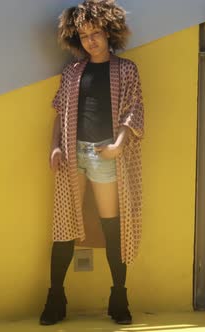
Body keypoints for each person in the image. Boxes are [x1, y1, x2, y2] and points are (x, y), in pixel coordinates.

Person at [39, 0, 144, 326]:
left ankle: (119, 298)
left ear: (109, 31)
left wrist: (117, 145)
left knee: (113, 226)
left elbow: (134, 110)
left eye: (95, 32)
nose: (90, 40)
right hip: (72, 154)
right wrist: (55, 147)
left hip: (105, 155)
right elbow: (60, 111)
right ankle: (55, 298)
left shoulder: (126, 69)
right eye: (84, 35)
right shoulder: (72, 72)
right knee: (64, 226)